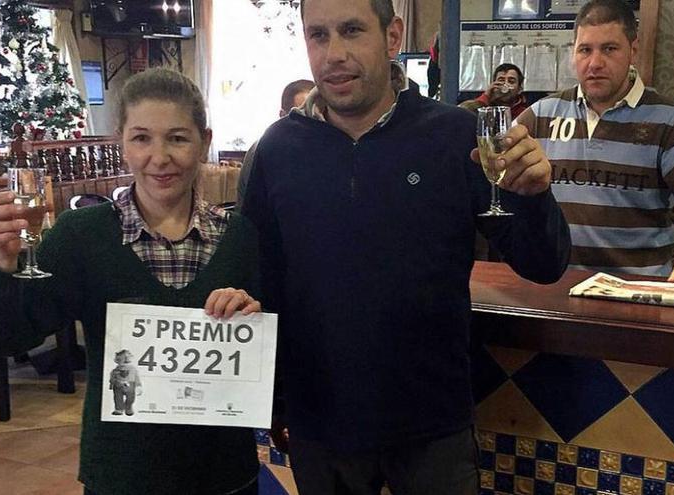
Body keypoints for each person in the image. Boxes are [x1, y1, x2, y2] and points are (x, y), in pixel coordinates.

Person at [241, 0, 571, 493]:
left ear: (392, 37)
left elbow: (543, 265)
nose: (333, 53)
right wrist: (274, 401)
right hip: (321, 420)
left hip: (433, 421)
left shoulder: (456, 135)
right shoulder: (275, 149)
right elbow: (261, 281)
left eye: (352, 31)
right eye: (318, 35)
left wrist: (535, 197)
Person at [0, 68, 263, 495]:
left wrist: (252, 315)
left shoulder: (240, 237)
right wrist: (0, 260)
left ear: (205, 142)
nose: (159, 157)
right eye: (141, 138)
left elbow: (274, 349)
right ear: (121, 142)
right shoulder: (82, 234)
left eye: (178, 138)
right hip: (123, 475)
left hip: (224, 474)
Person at [516, 0, 674, 290]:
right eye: (585, 50)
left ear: (633, 50)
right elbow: (493, 181)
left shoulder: (671, 122)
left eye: (609, 49)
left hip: (637, 294)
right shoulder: (540, 115)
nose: (594, 63)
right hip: (553, 289)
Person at [235, 79, 315, 208]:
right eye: (303, 117)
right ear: (282, 115)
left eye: (315, 116)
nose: (311, 125)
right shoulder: (262, 150)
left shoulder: (327, 151)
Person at [459, 62, 529, 117]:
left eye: (511, 81)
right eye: (501, 80)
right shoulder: (484, 107)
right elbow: (462, 113)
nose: (505, 84)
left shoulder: (524, 113)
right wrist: (486, 96)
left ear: (519, 89)